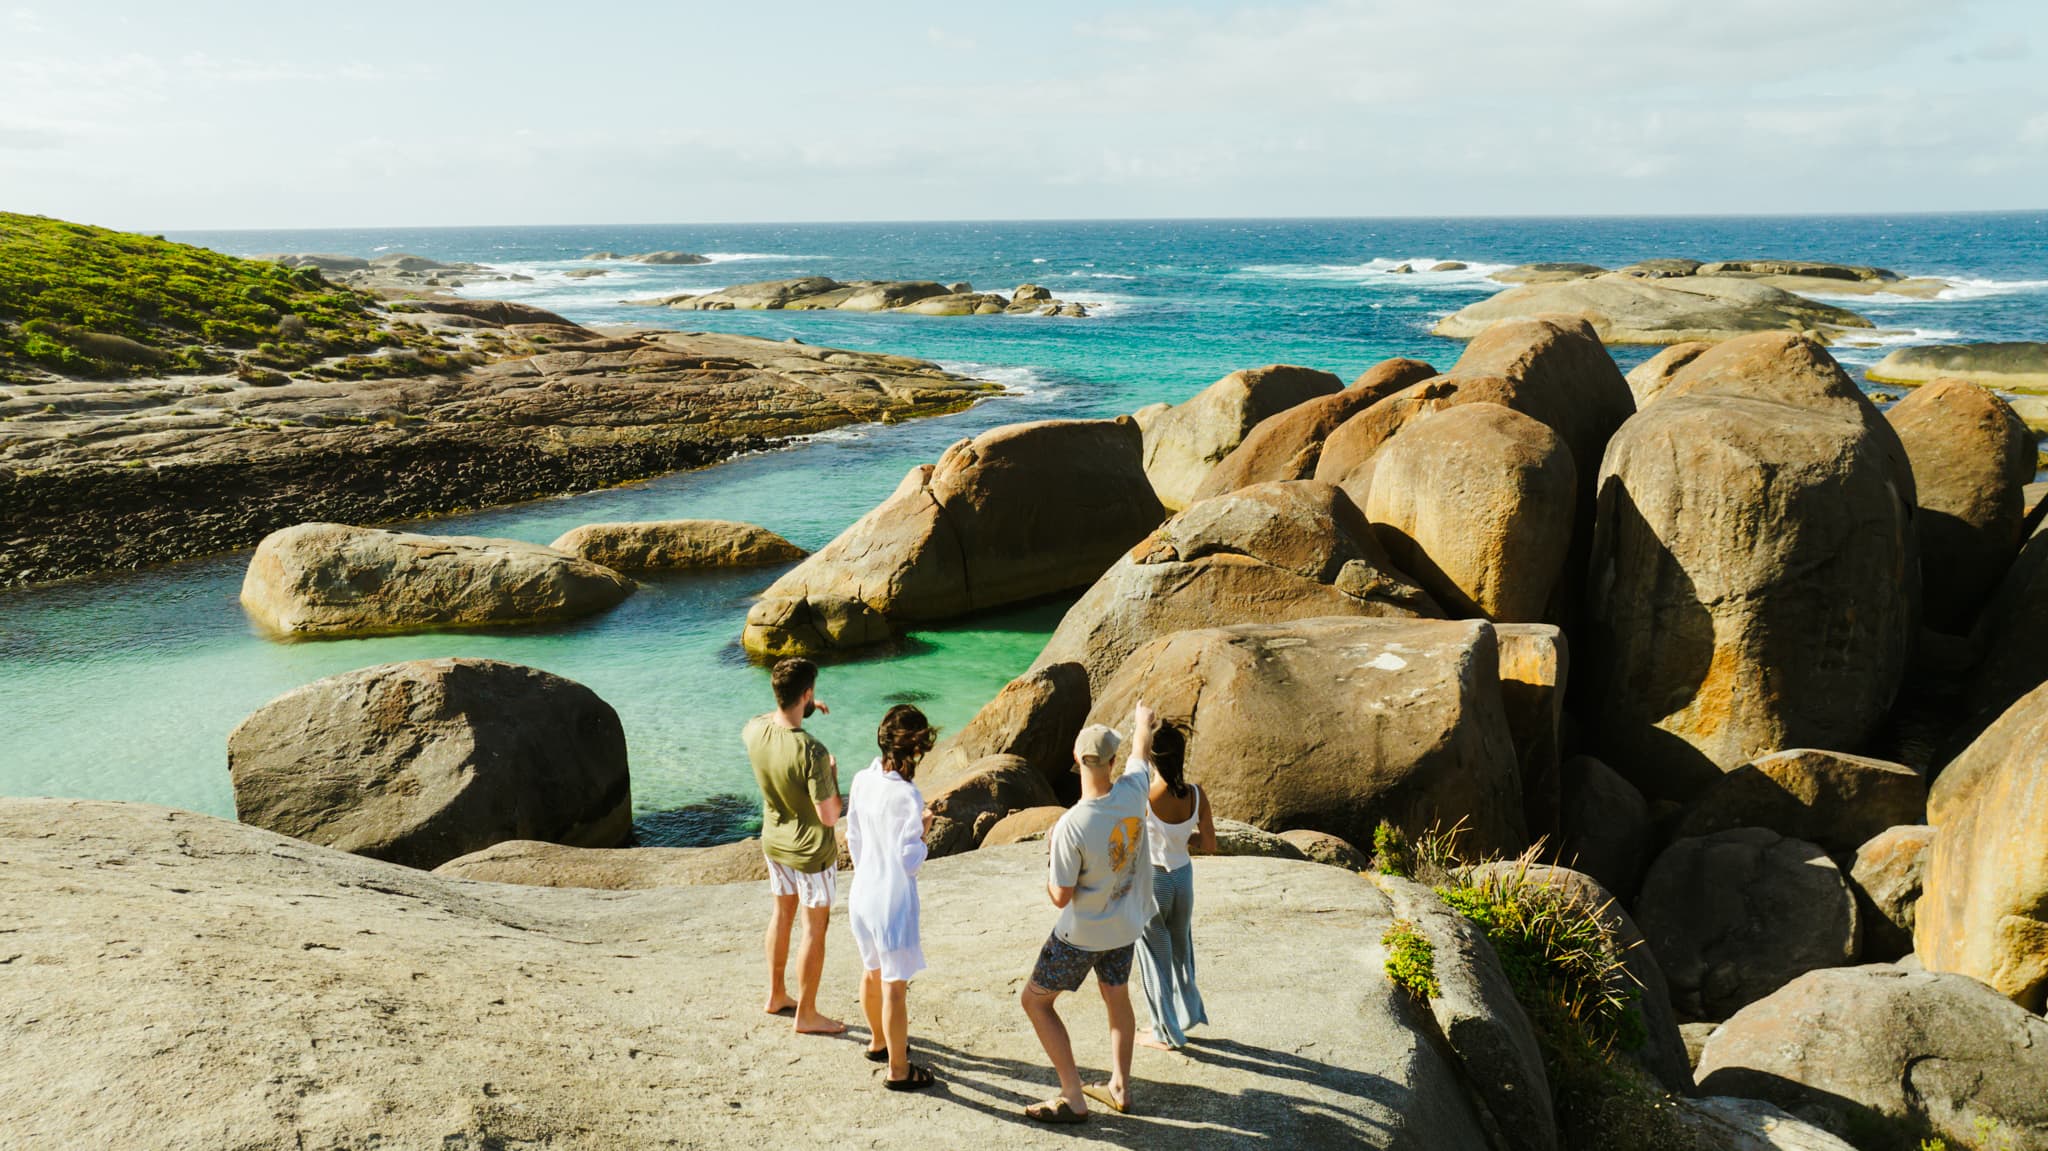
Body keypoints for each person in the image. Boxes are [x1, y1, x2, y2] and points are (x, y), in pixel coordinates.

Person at [1019, 700, 1162, 1125]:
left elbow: (1060, 896)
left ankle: (1072, 1095)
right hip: (1125, 927)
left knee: (1036, 1003)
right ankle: (1120, 1084)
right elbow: (1142, 752)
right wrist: (1142, 722)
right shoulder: (1134, 789)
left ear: (1076, 761)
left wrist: (1050, 859)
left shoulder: (1071, 825)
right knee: (1116, 997)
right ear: (1112, 762)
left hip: (1079, 936)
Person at [742, 657, 844, 1036]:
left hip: (775, 842)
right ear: (806, 693)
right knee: (814, 930)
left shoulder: (753, 730)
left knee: (781, 915)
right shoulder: (812, 752)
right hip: (812, 854)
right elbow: (830, 815)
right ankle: (808, 1013)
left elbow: (775, 719)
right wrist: (832, 775)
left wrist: (805, 706)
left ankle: (776, 995)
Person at [845, 704, 939, 1092]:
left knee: (871, 971)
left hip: (861, 893)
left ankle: (878, 1041)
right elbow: (908, 860)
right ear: (915, 749)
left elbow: (852, 837)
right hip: (891, 900)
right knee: (895, 987)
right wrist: (923, 832)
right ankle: (899, 1069)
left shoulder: (861, 780)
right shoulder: (907, 796)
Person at [1134, 722, 1215, 1050]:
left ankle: (1163, 1032)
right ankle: (1187, 1014)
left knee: (1155, 954)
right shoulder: (1196, 794)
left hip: (1154, 881)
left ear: (1151, 760)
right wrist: (1182, 836)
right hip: (1183, 878)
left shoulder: (1145, 797)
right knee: (1182, 948)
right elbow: (1209, 844)